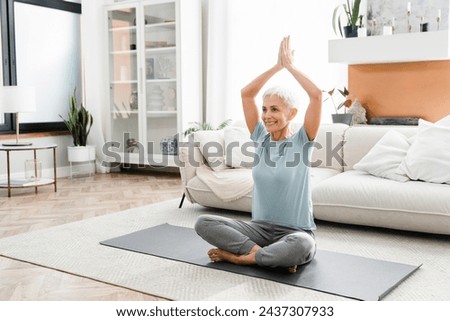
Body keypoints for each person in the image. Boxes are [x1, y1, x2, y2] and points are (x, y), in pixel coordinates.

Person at [194, 36, 322, 273]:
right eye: (264, 109)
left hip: (295, 232)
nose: (266, 115)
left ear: (292, 113)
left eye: (274, 109)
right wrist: (277, 66)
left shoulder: (303, 141)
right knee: (204, 222)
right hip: (259, 230)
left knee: (304, 245)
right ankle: (263, 255)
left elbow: (316, 95)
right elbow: (246, 94)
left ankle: (240, 258)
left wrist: (290, 67)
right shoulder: (261, 138)